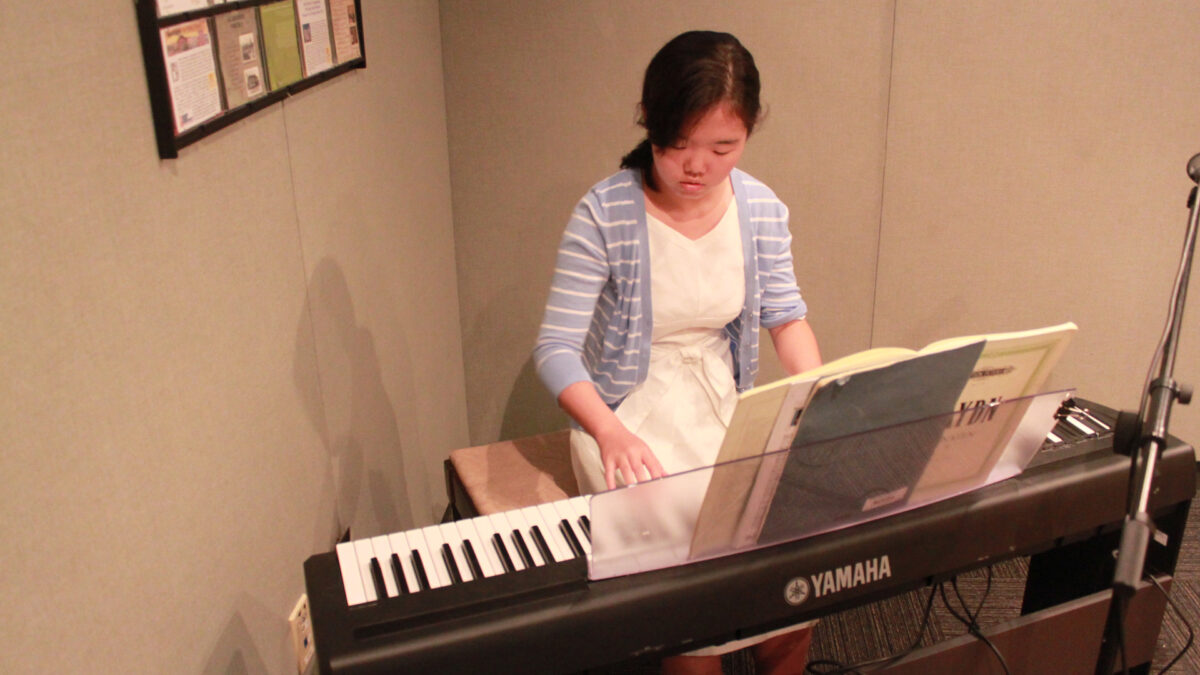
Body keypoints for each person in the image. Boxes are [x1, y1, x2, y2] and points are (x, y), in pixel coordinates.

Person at [533, 31, 821, 675]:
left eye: (724, 148)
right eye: (679, 145)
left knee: (792, 578)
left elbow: (786, 317)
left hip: (724, 403)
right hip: (627, 416)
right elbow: (554, 350)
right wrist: (608, 432)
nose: (698, 167)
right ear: (650, 123)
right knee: (688, 599)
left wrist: (820, 397)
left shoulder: (761, 210)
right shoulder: (605, 213)